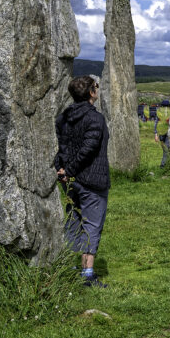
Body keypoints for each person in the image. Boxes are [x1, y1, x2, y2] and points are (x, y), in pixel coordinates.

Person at [54, 75, 110, 287]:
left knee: (74, 221)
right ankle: (87, 274)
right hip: (91, 178)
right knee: (92, 224)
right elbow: (88, 149)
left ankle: (70, 267)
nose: (97, 89)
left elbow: (62, 147)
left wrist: (62, 169)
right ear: (90, 93)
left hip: (69, 179)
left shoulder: (63, 118)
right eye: (96, 86)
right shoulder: (95, 119)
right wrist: (69, 169)